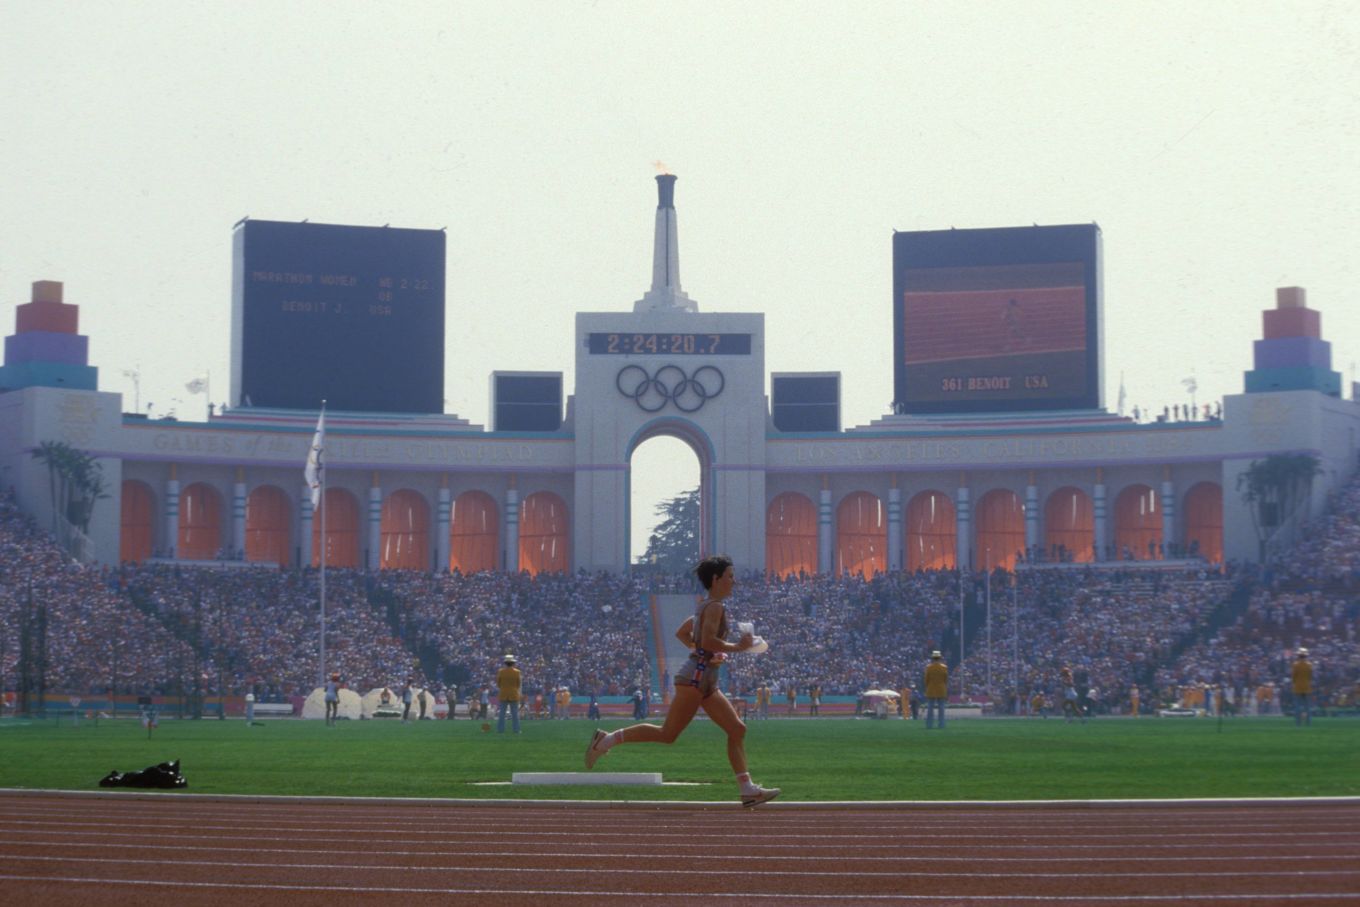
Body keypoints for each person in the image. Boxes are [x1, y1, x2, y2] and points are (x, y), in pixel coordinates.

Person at [584, 554, 780, 807]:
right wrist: (736, 647)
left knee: (737, 729)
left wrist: (707, 653)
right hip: (695, 680)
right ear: (716, 579)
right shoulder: (715, 607)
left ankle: (747, 789)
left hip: (705, 679)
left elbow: (685, 633)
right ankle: (606, 740)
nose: (735, 581)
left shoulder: (706, 606)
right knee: (667, 734)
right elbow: (707, 640)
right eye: (730, 577)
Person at [496, 655, 522, 734]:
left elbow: (498, 684)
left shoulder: (501, 671)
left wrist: (504, 688)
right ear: (513, 663)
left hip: (503, 694)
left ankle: (500, 730)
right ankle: (516, 730)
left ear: (505, 663)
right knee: (515, 714)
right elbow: (518, 684)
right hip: (514, 694)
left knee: (502, 714)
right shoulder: (517, 672)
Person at [924, 650, 948, 729]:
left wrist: (928, 686)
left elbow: (926, 679)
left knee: (930, 709)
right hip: (941, 689)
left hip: (931, 689)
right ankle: (941, 724)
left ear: (933, 658)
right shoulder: (944, 667)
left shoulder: (929, 667)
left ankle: (929, 725)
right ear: (940, 658)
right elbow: (945, 679)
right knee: (941, 709)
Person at [1291, 648, 1314, 726]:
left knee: (1298, 707)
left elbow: (1293, 677)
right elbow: (1310, 677)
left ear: (1298, 656)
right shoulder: (1309, 665)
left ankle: (1298, 723)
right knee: (1307, 707)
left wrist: (1295, 683)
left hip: (1297, 688)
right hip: (1307, 688)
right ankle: (1308, 723)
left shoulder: (1295, 665)